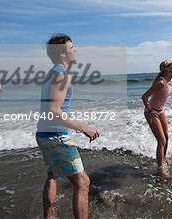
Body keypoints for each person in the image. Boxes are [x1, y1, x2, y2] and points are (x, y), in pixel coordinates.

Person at [35, 33, 100, 219]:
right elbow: (55, 111)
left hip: (43, 133)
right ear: (63, 53)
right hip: (55, 136)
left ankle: (49, 216)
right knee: (83, 182)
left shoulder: (51, 73)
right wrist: (84, 127)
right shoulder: (62, 75)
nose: (75, 50)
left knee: (52, 175)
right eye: (72, 47)